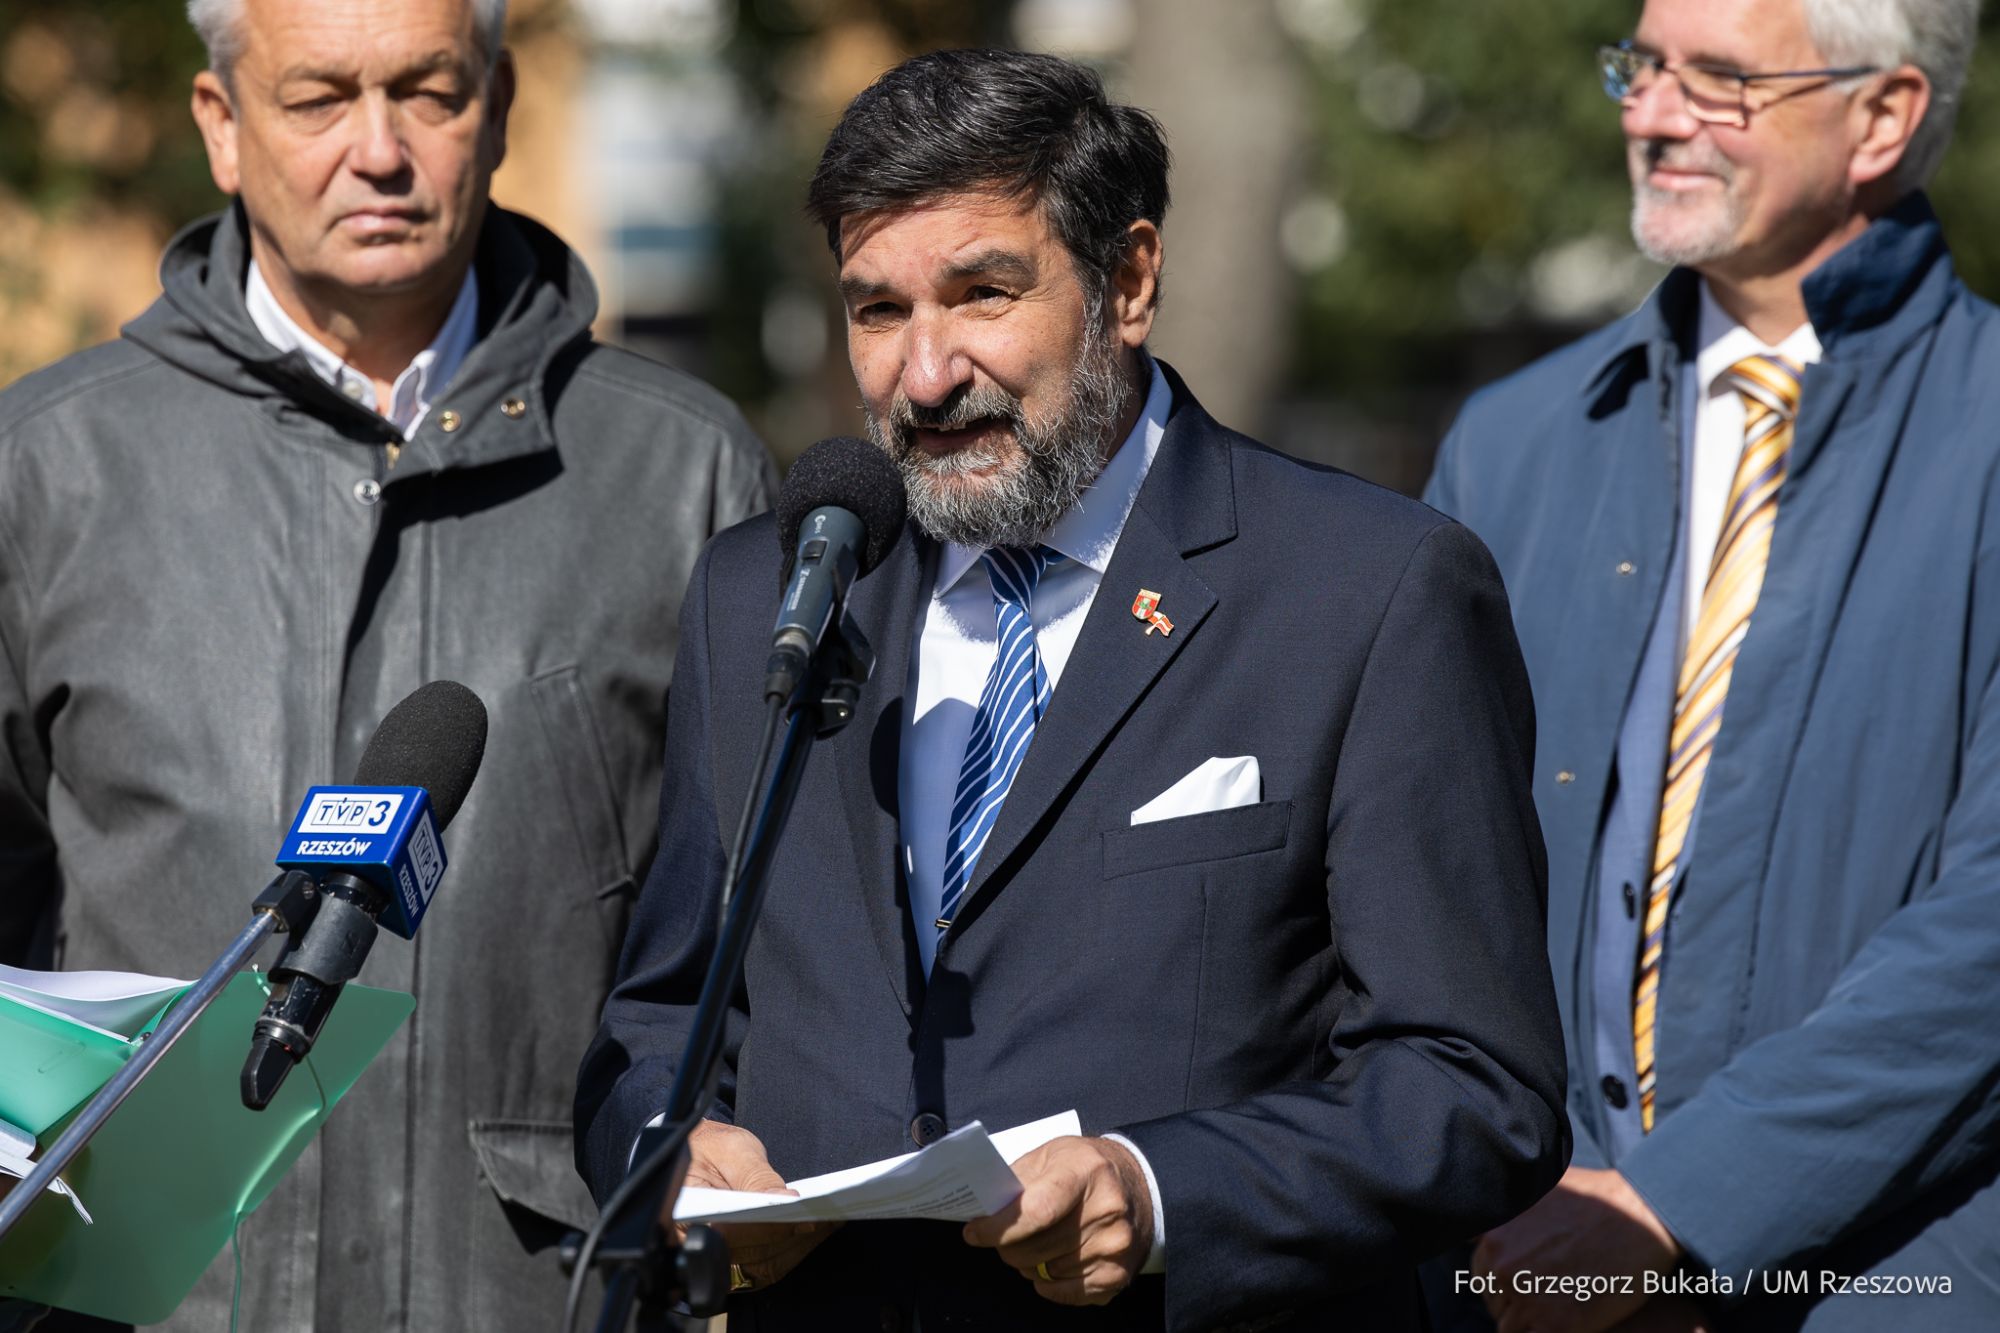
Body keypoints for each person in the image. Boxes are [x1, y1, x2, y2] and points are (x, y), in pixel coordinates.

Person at [576, 48, 1567, 1333]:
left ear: (1130, 280)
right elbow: (660, 1018)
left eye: (983, 293)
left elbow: (1475, 1086)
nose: (924, 375)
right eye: (876, 311)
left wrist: (1162, 1193)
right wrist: (668, 1154)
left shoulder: (1366, 591)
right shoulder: (765, 590)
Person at [0, 0, 773, 1326]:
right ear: (221, 126)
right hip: (140, 1300)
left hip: (534, 1295)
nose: (380, 150)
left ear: (503, 103)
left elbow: (758, 950)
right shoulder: (45, 468)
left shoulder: (684, 476)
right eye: (317, 100)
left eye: (429, 92)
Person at [1423, 0, 2000, 1329]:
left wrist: (1675, 1208)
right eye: (1646, 67)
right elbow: (1425, 873)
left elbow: (1983, 946)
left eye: (1721, 80)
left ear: (1884, 117)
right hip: (1519, 1266)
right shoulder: (1512, 444)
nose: (1651, 114)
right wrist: (1539, 1197)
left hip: (1894, 1283)